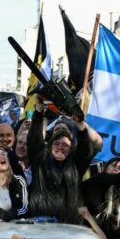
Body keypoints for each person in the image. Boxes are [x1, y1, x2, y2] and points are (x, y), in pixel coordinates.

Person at [27, 96, 93, 224]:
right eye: (57, 144)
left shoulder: (76, 165)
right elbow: (34, 140)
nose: (60, 147)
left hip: (71, 225)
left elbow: (86, 151)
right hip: (41, 224)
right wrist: (39, 110)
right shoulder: (40, 160)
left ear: (71, 148)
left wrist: (80, 124)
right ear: (50, 144)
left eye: (65, 145)